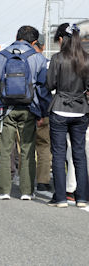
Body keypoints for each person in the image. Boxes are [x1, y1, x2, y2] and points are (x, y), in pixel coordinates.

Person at [0, 25, 52, 200]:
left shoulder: (1, 56)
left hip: (5, 109)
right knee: (28, 150)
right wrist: (43, 112)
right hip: (30, 109)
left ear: (16, 36)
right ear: (34, 41)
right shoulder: (38, 58)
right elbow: (43, 90)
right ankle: (27, 191)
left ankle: (3, 190)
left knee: (5, 150)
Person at [46, 23, 89, 208]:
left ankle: (61, 197)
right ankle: (82, 197)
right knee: (79, 154)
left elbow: (49, 85)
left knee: (58, 153)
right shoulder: (86, 59)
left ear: (62, 39)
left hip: (60, 107)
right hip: (81, 109)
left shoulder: (57, 59)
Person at [33, 34, 52, 192]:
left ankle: (26, 179)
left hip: (24, 111)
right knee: (44, 146)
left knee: (25, 147)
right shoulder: (47, 64)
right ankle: (42, 181)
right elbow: (47, 91)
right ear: (43, 46)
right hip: (43, 111)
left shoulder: (24, 61)